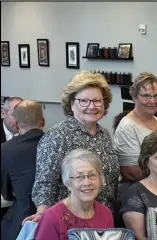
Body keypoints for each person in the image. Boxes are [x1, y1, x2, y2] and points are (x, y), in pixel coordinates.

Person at [30, 71, 119, 222]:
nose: (92, 106)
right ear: (71, 104)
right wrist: (42, 214)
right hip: (69, 220)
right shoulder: (57, 136)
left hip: (103, 216)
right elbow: (45, 183)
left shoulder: (103, 134)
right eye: (84, 101)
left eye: (97, 101)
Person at [34, 149, 114, 240]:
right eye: (79, 177)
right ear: (68, 182)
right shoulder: (52, 218)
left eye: (92, 175)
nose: (87, 182)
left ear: (101, 179)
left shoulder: (105, 213)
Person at [1, 100, 44, 240]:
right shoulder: (53, 143)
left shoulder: (5, 150)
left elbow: (6, 192)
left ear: (17, 124)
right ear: (42, 121)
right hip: (51, 217)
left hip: (21, 219)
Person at [114, 72, 157, 200]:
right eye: (146, 96)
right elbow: (133, 171)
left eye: (156, 96)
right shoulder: (127, 126)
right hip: (138, 194)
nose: (152, 101)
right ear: (134, 97)